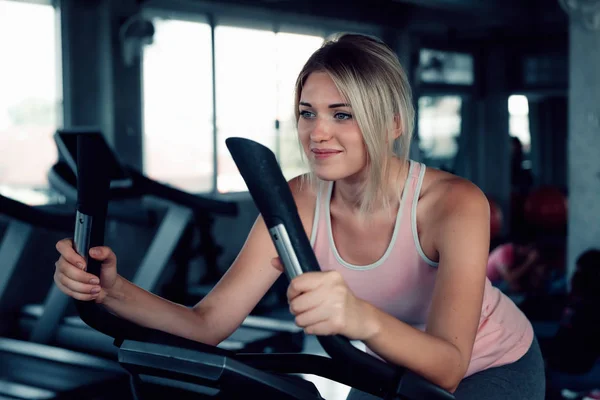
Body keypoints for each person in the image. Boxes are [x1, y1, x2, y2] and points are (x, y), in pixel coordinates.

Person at [53, 33, 545, 399]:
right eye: (308, 113)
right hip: (389, 359)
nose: (318, 133)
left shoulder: (454, 204)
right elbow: (208, 323)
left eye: (343, 114)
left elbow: (448, 366)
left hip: (490, 365)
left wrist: (357, 317)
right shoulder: (301, 198)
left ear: (393, 122)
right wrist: (114, 291)